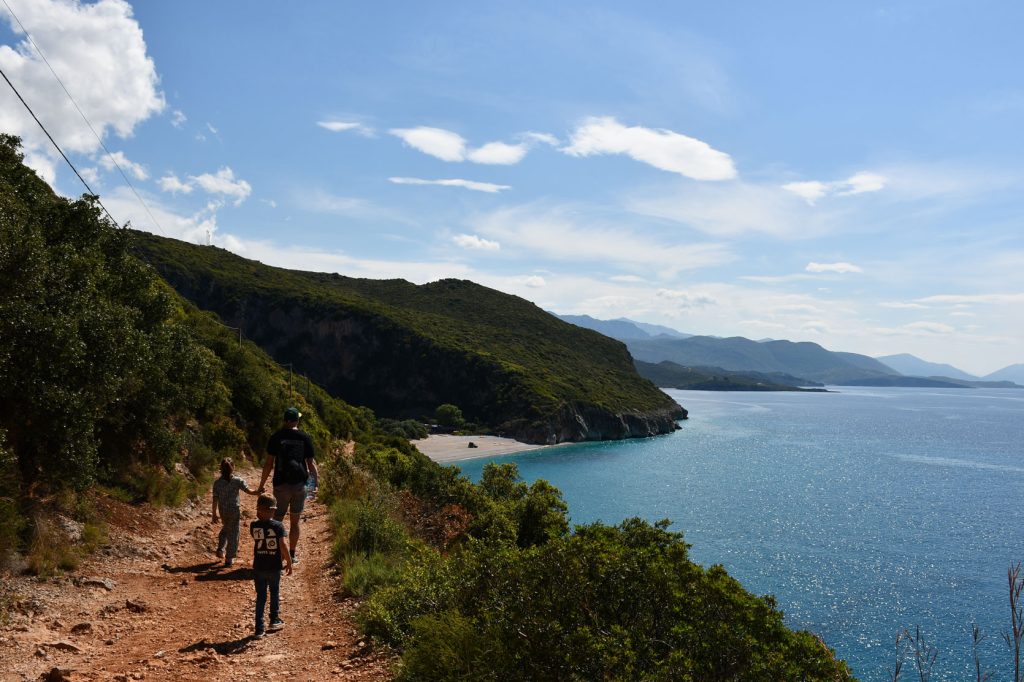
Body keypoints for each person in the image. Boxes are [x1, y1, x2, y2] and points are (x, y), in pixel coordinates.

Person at [258, 407, 318, 565]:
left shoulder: (276, 437)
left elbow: (268, 464)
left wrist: (261, 485)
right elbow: (311, 465)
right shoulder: (305, 437)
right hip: (299, 485)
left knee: (277, 520)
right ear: (297, 420)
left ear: (285, 420)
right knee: (295, 522)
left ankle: (277, 554)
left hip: (281, 485)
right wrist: (314, 485)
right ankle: (292, 554)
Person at [250, 494, 292, 638]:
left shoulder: (254, 525)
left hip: (259, 567)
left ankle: (259, 628)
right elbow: (283, 545)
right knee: (274, 592)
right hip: (274, 566)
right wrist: (289, 561)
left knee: (261, 597)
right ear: (273, 510)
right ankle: (274, 619)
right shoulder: (278, 526)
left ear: (258, 510)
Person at [211, 457, 258, 567]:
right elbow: (249, 491)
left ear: (220, 469)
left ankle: (220, 549)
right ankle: (229, 558)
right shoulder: (237, 481)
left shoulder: (217, 483)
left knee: (226, 528)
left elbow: (215, 500)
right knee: (234, 533)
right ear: (233, 467)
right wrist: (258, 492)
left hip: (223, 511)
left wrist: (214, 514)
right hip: (234, 511)